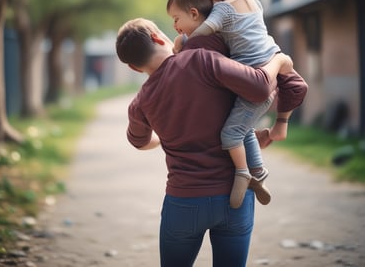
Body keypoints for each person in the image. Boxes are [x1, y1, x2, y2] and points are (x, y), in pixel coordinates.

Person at [115, 17, 294, 267]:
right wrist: (279, 60)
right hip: (235, 195)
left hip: (184, 202)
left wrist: (162, 137)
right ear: (158, 37)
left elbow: (140, 142)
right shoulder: (202, 59)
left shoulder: (141, 102)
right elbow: (259, 87)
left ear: (134, 68)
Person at [176, 0, 308, 208]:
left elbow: (199, 35)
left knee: (230, 135)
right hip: (273, 57)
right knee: (242, 124)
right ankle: (263, 160)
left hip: (255, 80)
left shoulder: (223, 11)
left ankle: (243, 172)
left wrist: (180, 41)